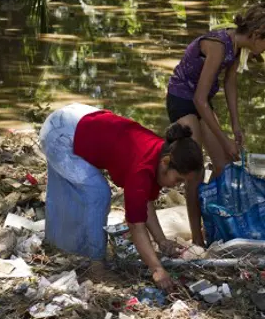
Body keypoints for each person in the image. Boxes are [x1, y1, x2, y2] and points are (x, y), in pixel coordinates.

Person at [40, 104, 204, 290]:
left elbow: (145, 203)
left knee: (88, 190)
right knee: (98, 193)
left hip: (76, 118)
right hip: (59, 133)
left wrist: (161, 241)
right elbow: (135, 225)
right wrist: (156, 269)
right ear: (166, 162)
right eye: (178, 179)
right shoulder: (142, 169)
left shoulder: (160, 152)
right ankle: (95, 265)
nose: (177, 186)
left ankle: (59, 244)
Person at [166, 3, 265, 247]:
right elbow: (199, 100)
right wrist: (225, 140)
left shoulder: (236, 45)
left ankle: (216, 222)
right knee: (195, 171)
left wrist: (236, 127)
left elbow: (230, 83)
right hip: (182, 100)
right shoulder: (219, 46)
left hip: (201, 101)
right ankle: (198, 240)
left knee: (224, 165)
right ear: (257, 34)